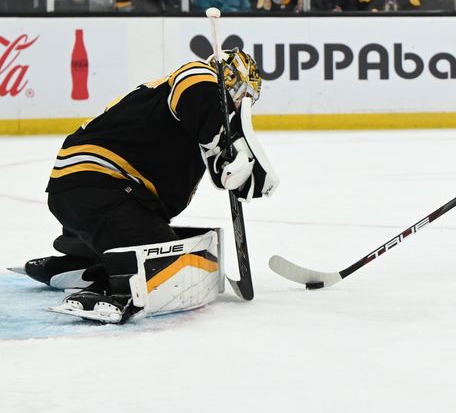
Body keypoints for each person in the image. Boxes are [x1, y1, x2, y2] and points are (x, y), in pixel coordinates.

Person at [21, 50, 274, 323]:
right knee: (172, 267)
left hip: (91, 193)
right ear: (231, 80)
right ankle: (112, 289)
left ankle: (77, 263)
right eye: (244, 94)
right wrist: (221, 141)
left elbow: (212, 161)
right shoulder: (198, 77)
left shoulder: (192, 115)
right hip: (102, 188)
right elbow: (196, 83)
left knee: (175, 245)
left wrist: (239, 168)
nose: (243, 103)